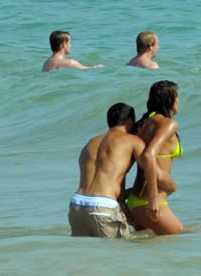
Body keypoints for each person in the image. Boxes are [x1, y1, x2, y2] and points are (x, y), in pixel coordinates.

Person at [68, 102, 158, 238]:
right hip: (103, 207)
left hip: (77, 205)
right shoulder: (132, 141)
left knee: (86, 256)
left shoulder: (91, 142)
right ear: (129, 121)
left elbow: (105, 175)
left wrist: (122, 199)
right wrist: (154, 199)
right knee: (126, 250)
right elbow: (150, 167)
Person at [127, 80, 184, 235]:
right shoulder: (168, 124)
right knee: (180, 236)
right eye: (176, 96)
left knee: (152, 251)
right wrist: (153, 199)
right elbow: (148, 155)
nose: (179, 100)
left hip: (136, 200)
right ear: (169, 100)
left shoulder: (142, 124)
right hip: (149, 202)